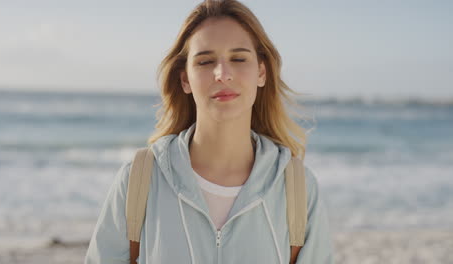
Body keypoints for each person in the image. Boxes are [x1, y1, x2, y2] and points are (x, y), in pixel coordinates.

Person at [85, 0, 333, 263]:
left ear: (261, 72)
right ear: (185, 79)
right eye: (205, 61)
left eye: (238, 58)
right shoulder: (139, 179)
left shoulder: (297, 187)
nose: (222, 74)